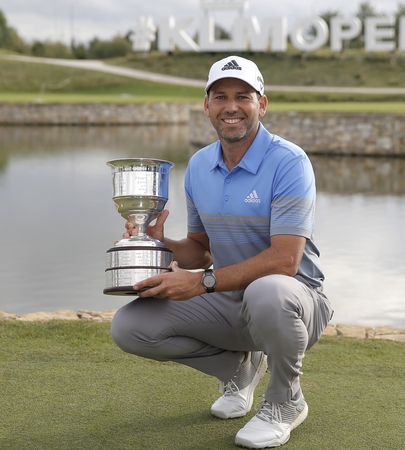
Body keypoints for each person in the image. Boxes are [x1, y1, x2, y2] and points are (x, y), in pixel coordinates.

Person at [110, 55, 332, 449]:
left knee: (269, 291)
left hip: (295, 300)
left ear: (261, 104)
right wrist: (163, 244)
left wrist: (201, 283)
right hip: (227, 298)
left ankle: (285, 401)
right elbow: (201, 250)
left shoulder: (289, 162)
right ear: (207, 105)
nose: (231, 107)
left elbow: (285, 261)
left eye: (243, 96)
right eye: (221, 97)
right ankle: (240, 367)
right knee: (129, 327)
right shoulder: (198, 166)